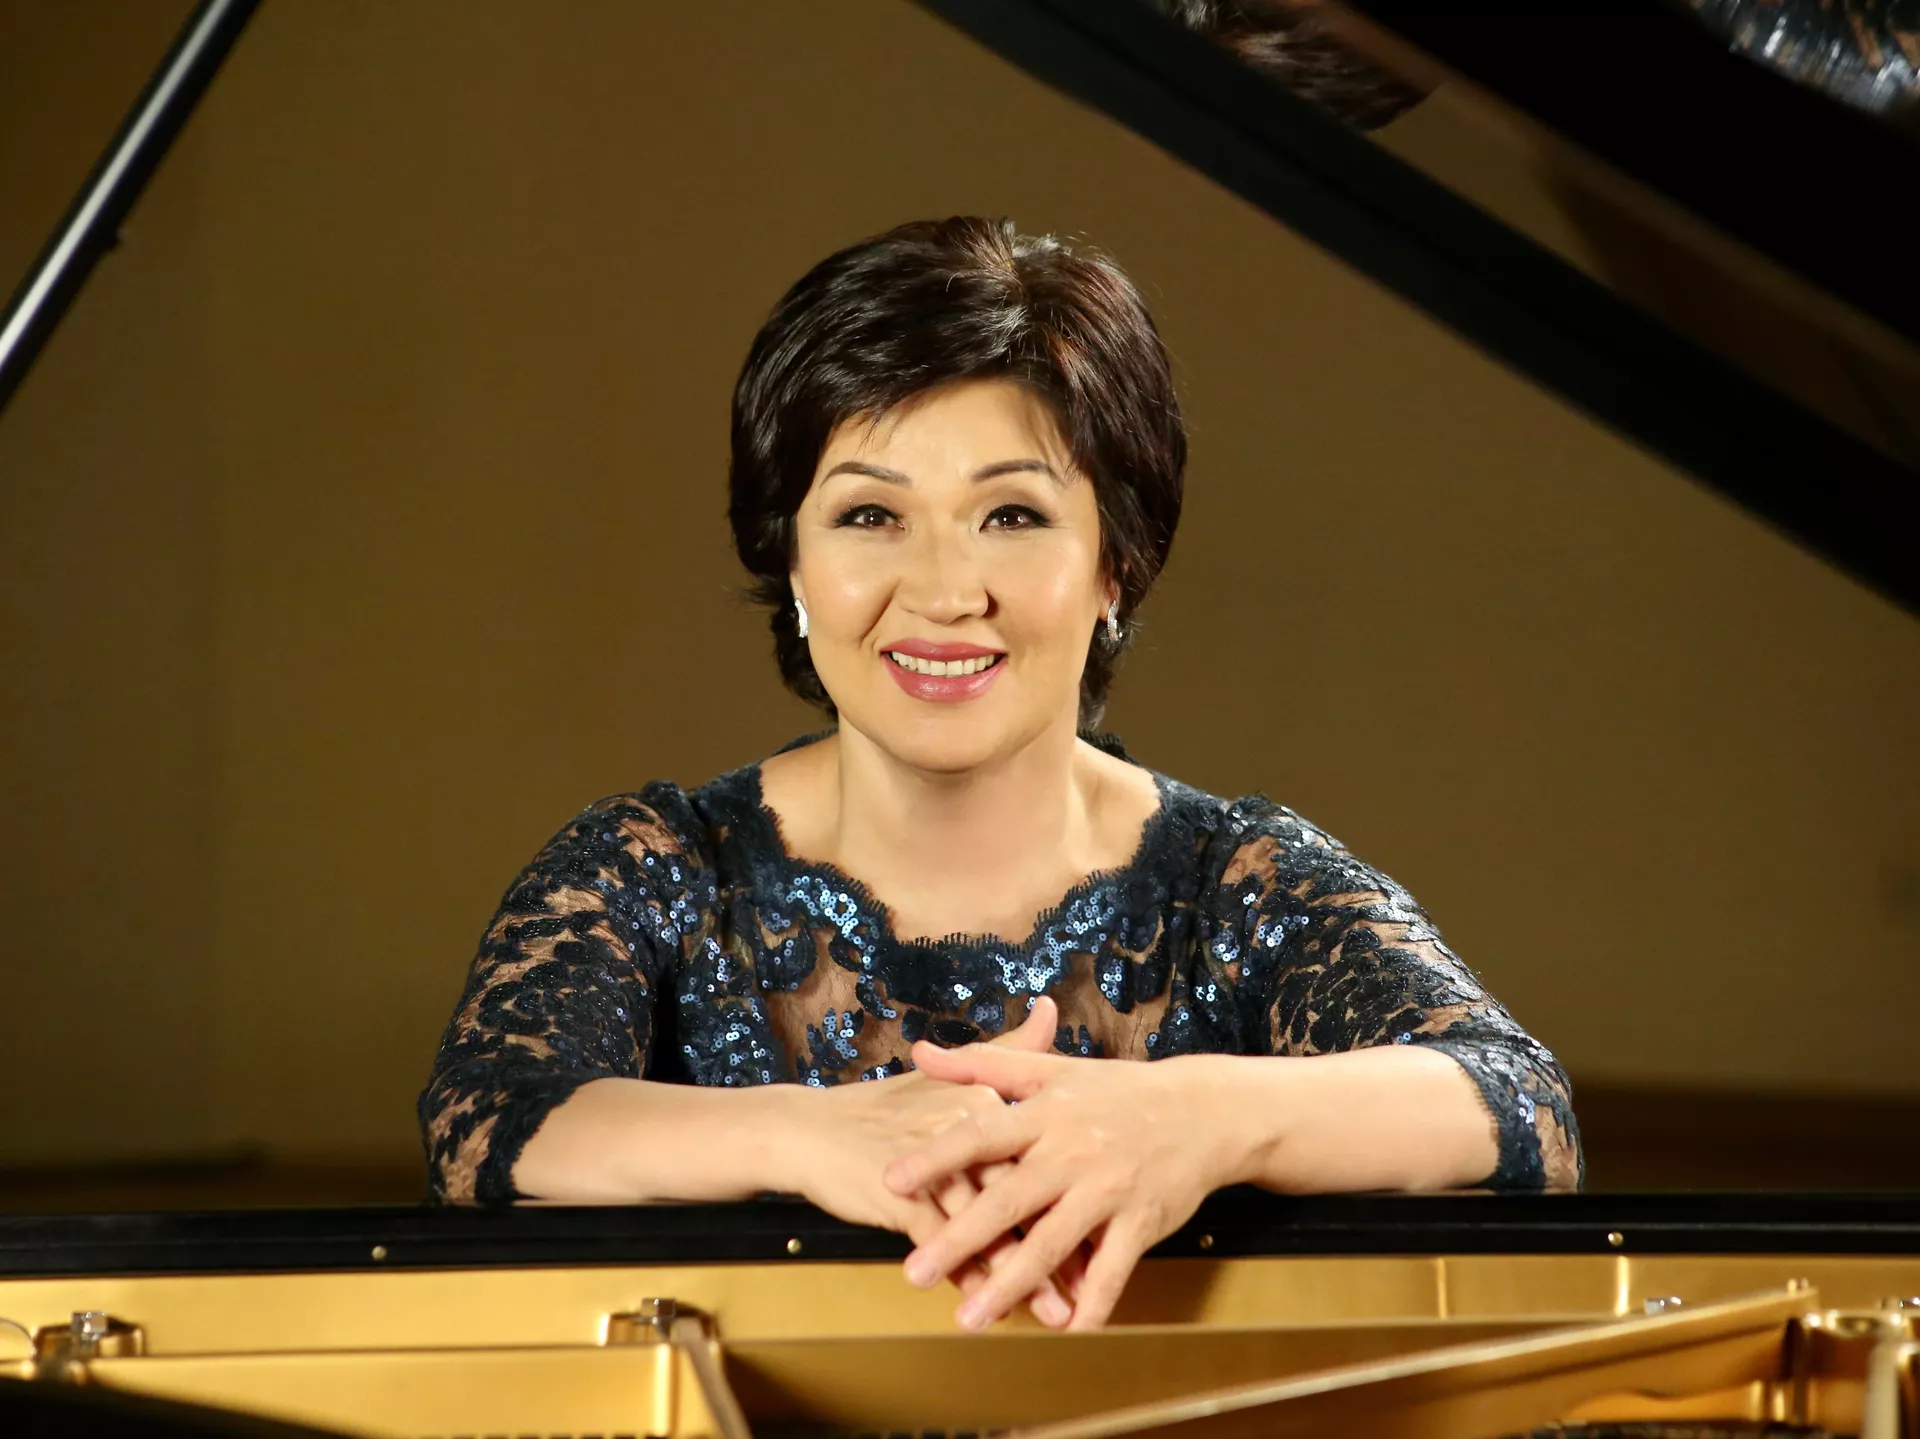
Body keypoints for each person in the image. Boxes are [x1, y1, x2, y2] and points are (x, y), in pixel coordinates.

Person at [418, 216, 1582, 1332]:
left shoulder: (1238, 882)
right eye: (870, 514)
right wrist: (807, 1134)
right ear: (792, 561)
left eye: (1012, 514)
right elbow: (487, 1117)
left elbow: (1519, 1103)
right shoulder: (652, 865)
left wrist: (1203, 1114)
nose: (943, 592)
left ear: (1115, 563)